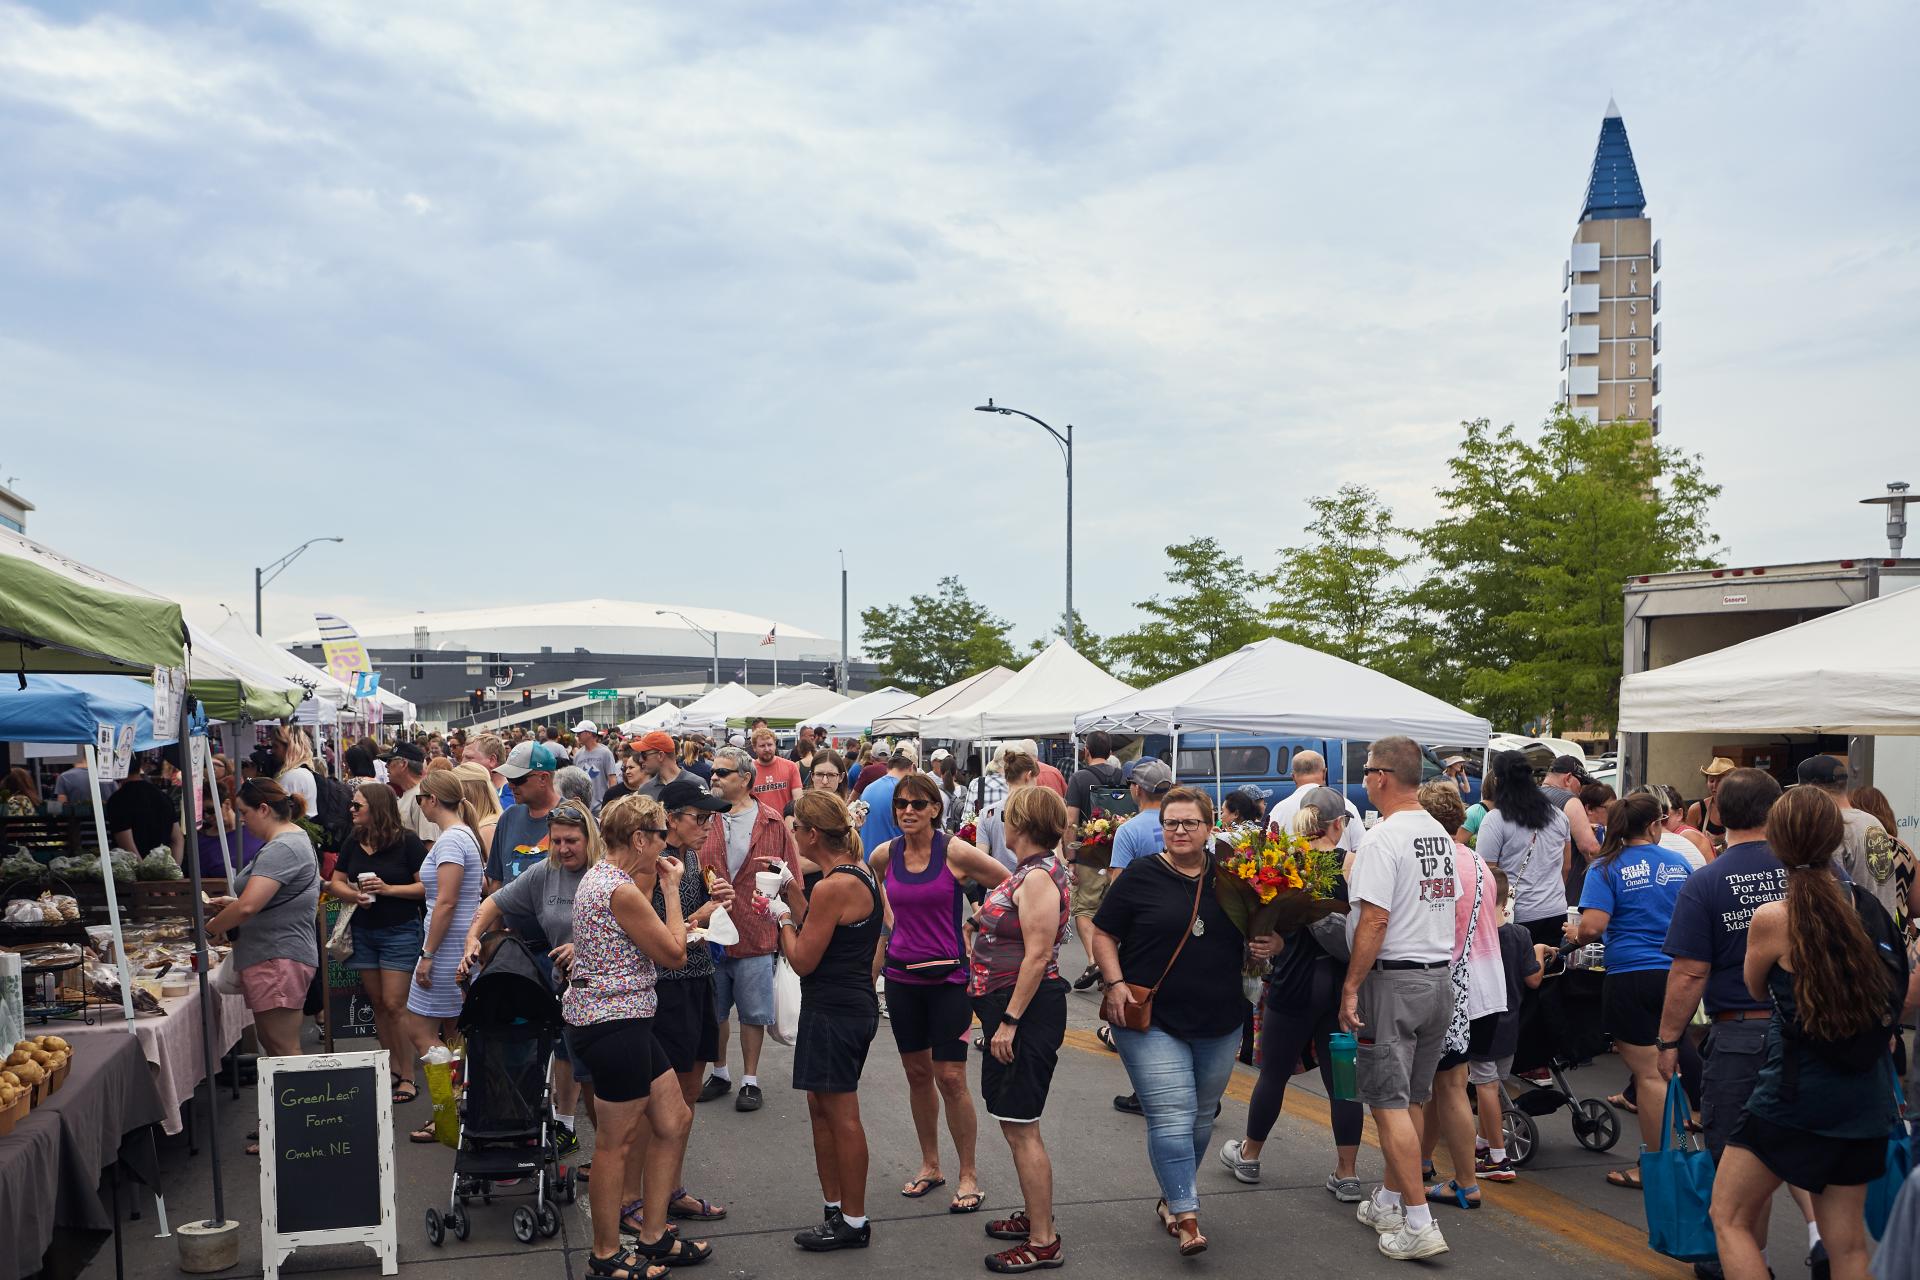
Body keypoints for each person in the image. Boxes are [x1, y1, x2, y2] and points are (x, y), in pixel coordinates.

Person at [1708, 785, 1907, 1280]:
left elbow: (1755, 988)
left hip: (1794, 1096)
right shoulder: (1868, 907)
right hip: (1867, 1097)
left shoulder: (1774, 918)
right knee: (1849, 1245)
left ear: (1777, 840)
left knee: (1729, 1217)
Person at [1092, 787, 1260, 1257]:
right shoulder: (1142, 875)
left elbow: (1261, 935)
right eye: (1172, 823)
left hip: (1221, 1019)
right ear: (1161, 828)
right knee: (1170, 1114)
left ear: (1210, 828)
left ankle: (1172, 1194)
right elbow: (1104, 931)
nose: (1180, 831)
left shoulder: (1234, 878)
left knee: (1202, 1116)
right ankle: (1186, 1216)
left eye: (1190, 823)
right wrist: (1115, 981)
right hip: (1150, 1019)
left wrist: (1270, 946)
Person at [565, 795, 710, 1278]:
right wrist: (672, 889)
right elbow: (673, 954)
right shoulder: (619, 888)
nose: (665, 844)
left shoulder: (607, 878)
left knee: (673, 1118)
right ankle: (604, 1254)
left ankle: (653, 1236)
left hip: (624, 1017)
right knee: (616, 1143)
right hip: (612, 1023)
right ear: (639, 838)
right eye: (660, 835)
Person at [1656, 769, 1787, 1256]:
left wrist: (1669, 1041)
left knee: (1737, 1159)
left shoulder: (1708, 881)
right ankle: (1816, 1248)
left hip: (1740, 1039)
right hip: (1812, 1033)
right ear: (1776, 811)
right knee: (1804, 1154)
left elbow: (1689, 973)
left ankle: (1739, 1260)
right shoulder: (1813, 872)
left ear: (1716, 813)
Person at [1338, 736, 1459, 1262]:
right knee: (1409, 1098)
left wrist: (1350, 984)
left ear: (1382, 776)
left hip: (1394, 979)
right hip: (1437, 978)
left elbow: (1375, 918)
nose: (1365, 780)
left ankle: (1417, 1219)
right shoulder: (1440, 832)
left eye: (1367, 772)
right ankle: (1391, 1198)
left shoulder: (1384, 838)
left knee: (1387, 1104)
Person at [869, 772, 1009, 1212]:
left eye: (917, 803)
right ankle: (931, 1165)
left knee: (950, 1078)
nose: (907, 810)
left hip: (949, 980)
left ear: (935, 808)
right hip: (902, 979)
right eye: (901, 804)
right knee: (916, 1074)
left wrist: (973, 923)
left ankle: (968, 1174)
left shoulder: (954, 851)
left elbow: (1010, 884)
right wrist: (891, 931)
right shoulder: (883, 855)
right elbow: (880, 900)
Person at [1218, 786, 1365, 1201]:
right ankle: (1347, 1172)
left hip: (1292, 983)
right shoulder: (1353, 865)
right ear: (1339, 824)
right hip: (1338, 989)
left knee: (1274, 1075)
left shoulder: (1283, 864)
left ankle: (1249, 1155)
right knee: (1343, 1082)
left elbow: (1266, 925)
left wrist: (1269, 943)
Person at [766, 790, 883, 1252]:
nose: (793, 835)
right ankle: (836, 1208)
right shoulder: (855, 875)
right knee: (824, 1109)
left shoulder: (836, 884)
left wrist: (779, 920)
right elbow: (824, 928)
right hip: (843, 1005)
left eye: (796, 828)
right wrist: (794, 895)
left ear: (812, 834)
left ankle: (853, 1220)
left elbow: (804, 959)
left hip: (835, 1009)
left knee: (841, 1114)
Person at [1564, 792, 1695, 1189]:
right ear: (1654, 824)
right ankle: (1680, 1153)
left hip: (1631, 975)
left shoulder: (1606, 867)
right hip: (1677, 977)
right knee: (1670, 1069)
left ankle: (1654, 1168)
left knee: (1650, 1076)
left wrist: (1573, 933)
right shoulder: (1679, 863)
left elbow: (1593, 927)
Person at [968, 785, 1073, 1273]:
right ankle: (1036, 1218)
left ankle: (1043, 1240)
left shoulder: (1038, 877)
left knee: (1022, 1127)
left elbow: (1038, 953)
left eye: (1007, 816)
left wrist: (1009, 1021)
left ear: (1022, 824)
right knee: (1013, 1123)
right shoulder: (1032, 872)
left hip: (1025, 1010)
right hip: (1008, 1005)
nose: (1002, 824)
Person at [637, 779, 737, 1220]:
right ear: (670, 818)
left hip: (699, 980)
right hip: (667, 986)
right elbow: (649, 933)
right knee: (662, 1102)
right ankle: (641, 1197)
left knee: (690, 1092)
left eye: (711, 818)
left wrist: (717, 899)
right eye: (699, 817)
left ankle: (671, 1189)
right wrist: (700, 915)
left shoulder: (692, 856)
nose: (707, 826)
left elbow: (694, 922)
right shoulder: (651, 866)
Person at [205, 778, 320, 1152]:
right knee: (275, 1045)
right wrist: (233, 904)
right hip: (273, 954)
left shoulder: (283, 846)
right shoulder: (289, 841)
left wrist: (214, 927)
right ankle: (282, 1122)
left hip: (278, 955)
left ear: (264, 809)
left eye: (244, 812)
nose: (242, 820)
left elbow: (251, 904)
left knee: (284, 1047)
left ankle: (298, 1128)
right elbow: (259, 898)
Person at [696, 744, 801, 1112]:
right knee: (716, 1010)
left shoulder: (771, 821)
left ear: (745, 778)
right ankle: (721, 1072)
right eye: (713, 771)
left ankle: (750, 1080)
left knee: (754, 1013)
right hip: (712, 932)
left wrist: (789, 924)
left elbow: (793, 880)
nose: (714, 777)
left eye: (722, 772)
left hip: (756, 931)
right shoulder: (704, 818)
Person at [1412, 780, 1500, 1212]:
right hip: (1481, 982)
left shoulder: (1437, 862)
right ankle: (1430, 1165)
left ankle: (1452, 1180)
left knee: (1431, 1087)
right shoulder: (1478, 862)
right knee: (1449, 1084)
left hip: (1440, 982)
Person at [328, 783, 428, 1104]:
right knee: (379, 1004)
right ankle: (391, 1067)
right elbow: (336, 882)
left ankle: (409, 1077)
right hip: (364, 931)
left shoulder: (407, 842)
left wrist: (387, 889)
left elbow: (425, 888)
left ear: (377, 807)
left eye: (358, 806)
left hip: (399, 930)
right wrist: (355, 895)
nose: (352, 810)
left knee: (396, 1004)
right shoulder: (354, 841)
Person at [403, 770, 485, 1128]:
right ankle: (454, 1109)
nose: (420, 804)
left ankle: (447, 1112)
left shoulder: (453, 840)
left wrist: (428, 954)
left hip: (448, 947)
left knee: (419, 1029)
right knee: (453, 1034)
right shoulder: (463, 834)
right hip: (457, 945)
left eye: (421, 798)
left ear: (433, 800)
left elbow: (447, 902)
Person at [1469, 869, 1544, 1184]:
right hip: (1511, 1024)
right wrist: (1540, 952)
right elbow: (1533, 979)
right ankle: (1484, 1144)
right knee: (1495, 1085)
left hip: (1484, 1022)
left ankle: (1498, 1158)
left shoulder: (1475, 934)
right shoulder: (1520, 935)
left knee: (1484, 1087)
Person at [1474, 750, 1571, 947]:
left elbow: (1487, 873)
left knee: (1515, 976)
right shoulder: (1558, 816)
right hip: (1556, 912)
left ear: (1498, 780)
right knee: (1550, 972)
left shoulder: (1495, 819)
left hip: (1516, 915)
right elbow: (1566, 866)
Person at [1063, 733, 1126, 992]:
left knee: (1084, 910)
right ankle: (1110, 964)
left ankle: (1093, 961)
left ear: (1086, 751)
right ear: (1110, 750)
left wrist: (1070, 857)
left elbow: (1070, 821)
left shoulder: (1079, 778)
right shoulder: (1123, 777)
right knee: (1112, 911)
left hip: (1089, 855)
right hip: (1120, 854)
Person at [1797, 755, 1889, 909]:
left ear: (1812, 789)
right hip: (1884, 924)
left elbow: (1833, 888)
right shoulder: (1872, 821)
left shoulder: (1832, 826)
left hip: (1855, 926)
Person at [486, 740, 561, 896]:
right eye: (509, 779)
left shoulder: (574, 817)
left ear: (543, 778)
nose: (511, 785)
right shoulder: (508, 817)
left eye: (518, 779)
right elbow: (497, 882)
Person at [1850, 784, 1915, 939]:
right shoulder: (1904, 850)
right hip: (1898, 941)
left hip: (1862, 938)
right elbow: (1917, 905)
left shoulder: (1853, 845)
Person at [1269, 750, 1362, 854]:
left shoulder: (1279, 810)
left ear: (1293, 777)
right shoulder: (1346, 805)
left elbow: (1269, 848)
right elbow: (1361, 850)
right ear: (1324, 773)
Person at [106, 754, 183, 859]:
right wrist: (173, 870)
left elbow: (127, 845)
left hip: (134, 872)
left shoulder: (118, 800)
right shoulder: (163, 796)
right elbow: (177, 839)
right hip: (163, 869)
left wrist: (143, 872)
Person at [975, 752, 1039, 873]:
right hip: (1032, 883)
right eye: (1036, 778)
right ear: (1028, 775)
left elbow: (981, 860)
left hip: (998, 885)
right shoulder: (1038, 810)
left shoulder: (986, 813)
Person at [1106, 759, 1172, 876]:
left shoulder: (1128, 831)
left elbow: (1118, 887)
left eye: (1130, 782)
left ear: (1138, 789)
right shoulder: (1184, 824)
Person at [857, 748, 915, 852]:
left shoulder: (868, 789)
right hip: (892, 861)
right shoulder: (904, 792)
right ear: (911, 768)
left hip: (867, 859)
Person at [387, 742, 440, 843]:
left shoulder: (421, 795)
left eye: (389, 761)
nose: (386, 766)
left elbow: (429, 844)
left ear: (403, 764)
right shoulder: (412, 794)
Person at [748, 727, 804, 817]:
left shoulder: (790, 767)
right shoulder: (749, 771)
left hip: (785, 823)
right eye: (762, 746)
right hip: (758, 824)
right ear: (754, 748)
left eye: (770, 745)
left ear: (775, 745)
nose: (767, 749)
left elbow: (798, 799)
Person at [453, 761, 504, 858]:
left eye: (453, 791)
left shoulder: (487, 830)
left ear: (466, 793)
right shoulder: (485, 826)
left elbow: (492, 872)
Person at [634, 731, 703, 801]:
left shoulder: (697, 784)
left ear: (660, 755)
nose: (640, 760)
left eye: (644, 754)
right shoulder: (645, 790)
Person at [272, 726, 320, 827]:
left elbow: (277, 814)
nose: (273, 751)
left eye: (276, 746)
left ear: (289, 748)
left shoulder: (292, 776)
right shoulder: (304, 772)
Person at [1685, 757, 1736, 851]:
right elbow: (1688, 844)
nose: (1714, 785)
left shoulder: (1741, 808)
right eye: (1711, 781)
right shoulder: (1697, 809)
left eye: (1720, 780)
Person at [570, 721, 617, 809]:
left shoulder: (605, 752)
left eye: (579, 733)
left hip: (602, 807)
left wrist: (611, 804)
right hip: (583, 808)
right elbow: (575, 782)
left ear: (589, 733)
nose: (577, 736)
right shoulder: (578, 755)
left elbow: (612, 779)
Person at [463, 732, 512, 808]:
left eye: (469, 758)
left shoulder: (508, 803)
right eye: (463, 758)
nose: (462, 763)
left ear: (492, 760)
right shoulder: (467, 795)